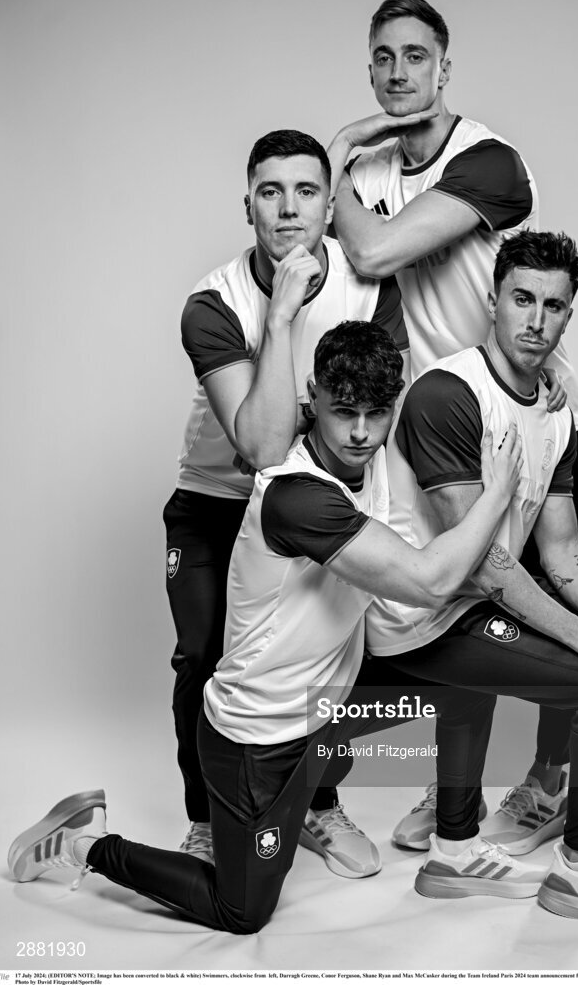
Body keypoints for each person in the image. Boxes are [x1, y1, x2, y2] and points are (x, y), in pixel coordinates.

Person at [8, 321, 524, 934]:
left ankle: (454, 844)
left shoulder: (378, 455)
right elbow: (430, 579)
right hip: (257, 738)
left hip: (323, 714)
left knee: (466, 678)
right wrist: (498, 492)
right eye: (344, 412)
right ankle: (81, 843)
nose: (361, 432)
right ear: (312, 400)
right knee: (243, 911)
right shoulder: (295, 496)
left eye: (376, 413)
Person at [366, 232, 578, 932]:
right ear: (492, 299)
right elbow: (482, 560)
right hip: (415, 614)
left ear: (568, 315)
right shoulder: (447, 392)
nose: (535, 319)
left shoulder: (554, 409)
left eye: (553, 305)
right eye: (521, 298)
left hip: (469, 608)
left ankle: (468, 849)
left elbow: (561, 545)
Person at [327, 0, 578, 850]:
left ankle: (549, 781)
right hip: (439, 414)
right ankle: (454, 806)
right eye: (383, 58)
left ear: (445, 67)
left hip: (524, 396)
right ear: (369, 67)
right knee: (453, 603)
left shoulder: (488, 160)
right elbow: (361, 289)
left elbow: (372, 251)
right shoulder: (367, 179)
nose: (398, 73)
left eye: (415, 56)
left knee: (549, 579)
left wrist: (332, 155)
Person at [164, 129, 408, 876]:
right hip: (218, 499)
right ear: (248, 206)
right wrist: (281, 316)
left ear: (328, 202)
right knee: (201, 657)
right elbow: (262, 448)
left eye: (306, 190)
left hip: (318, 499)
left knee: (341, 657)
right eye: (270, 191)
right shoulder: (213, 302)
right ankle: (208, 819)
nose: (288, 208)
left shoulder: (368, 284)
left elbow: (373, 404)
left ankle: (318, 806)